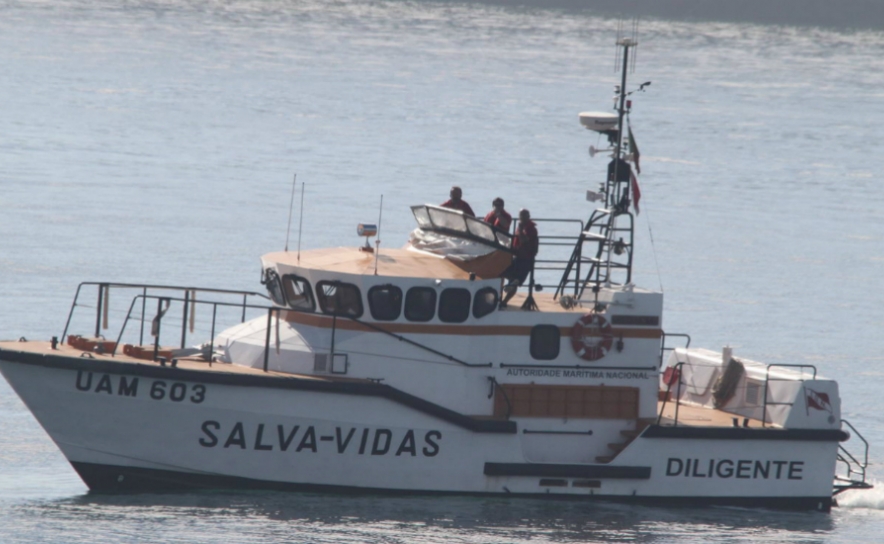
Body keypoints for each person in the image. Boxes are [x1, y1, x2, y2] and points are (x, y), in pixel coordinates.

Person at [500, 209, 539, 307]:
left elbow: (525, 240)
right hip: (517, 257)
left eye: (525, 216)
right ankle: (500, 296)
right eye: (521, 216)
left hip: (526, 259)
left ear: (528, 216)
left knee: (516, 282)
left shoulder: (531, 229)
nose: (523, 218)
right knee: (503, 273)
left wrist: (521, 231)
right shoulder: (520, 227)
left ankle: (505, 301)